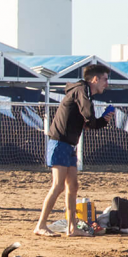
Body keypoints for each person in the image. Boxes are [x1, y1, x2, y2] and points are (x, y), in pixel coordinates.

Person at [33, 64, 114, 237]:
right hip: (60, 143)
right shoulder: (82, 90)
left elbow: (90, 123)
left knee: (73, 186)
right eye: (105, 79)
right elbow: (89, 117)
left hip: (69, 145)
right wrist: (96, 121)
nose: (107, 83)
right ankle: (40, 225)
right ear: (95, 79)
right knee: (58, 186)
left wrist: (103, 120)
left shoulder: (83, 92)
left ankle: (72, 227)